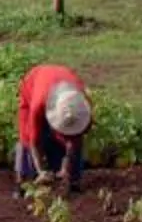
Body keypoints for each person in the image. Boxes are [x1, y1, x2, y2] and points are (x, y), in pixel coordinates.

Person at [14, 63, 94, 194]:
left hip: (62, 79)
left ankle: (72, 182)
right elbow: (34, 142)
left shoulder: (83, 107)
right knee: (26, 139)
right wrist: (41, 171)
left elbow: (76, 140)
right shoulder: (38, 104)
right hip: (34, 83)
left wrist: (66, 167)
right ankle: (23, 181)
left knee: (71, 140)